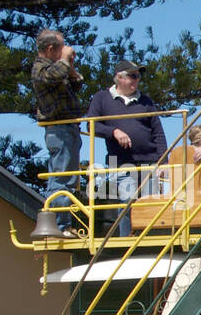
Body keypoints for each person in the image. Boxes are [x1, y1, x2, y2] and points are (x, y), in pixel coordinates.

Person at [86, 59, 168, 236]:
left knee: (150, 206)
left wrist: (163, 163)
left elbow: (158, 133)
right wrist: (114, 131)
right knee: (127, 202)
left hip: (150, 161)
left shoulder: (146, 101)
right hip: (121, 162)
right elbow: (92, 126)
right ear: (118, 77)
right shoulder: (102, 98)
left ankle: (149, 243)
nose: (136, 80)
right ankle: (126, 243)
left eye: (138, 76)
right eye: (132, 75)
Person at [31, 29, 84, 236]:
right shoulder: (40, 68)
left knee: (68, 178)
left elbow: (78, 83)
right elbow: (52, 78)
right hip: (58, 129)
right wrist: (63, 61)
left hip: (69, 128)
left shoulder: (58, 69)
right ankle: (59, 225)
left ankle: (63, 224)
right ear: (51, 48)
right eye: (62, 47)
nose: (66, 50)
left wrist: (69, 65)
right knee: (61, 177)